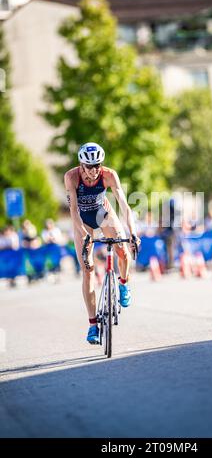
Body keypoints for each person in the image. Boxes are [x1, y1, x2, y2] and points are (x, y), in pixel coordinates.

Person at [64, 142, 141, 345]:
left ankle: (123, 283)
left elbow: (125, 206)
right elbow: (73, 212)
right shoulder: (71, 177)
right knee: (87, 269)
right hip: (82, 219)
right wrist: (85, 234)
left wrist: (133, 233)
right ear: (81, 165)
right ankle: (92, 325)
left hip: (102, 213)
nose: (94, 170)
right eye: (90, 166)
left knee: (123, 250)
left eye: (98, 164)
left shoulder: (109, 175)